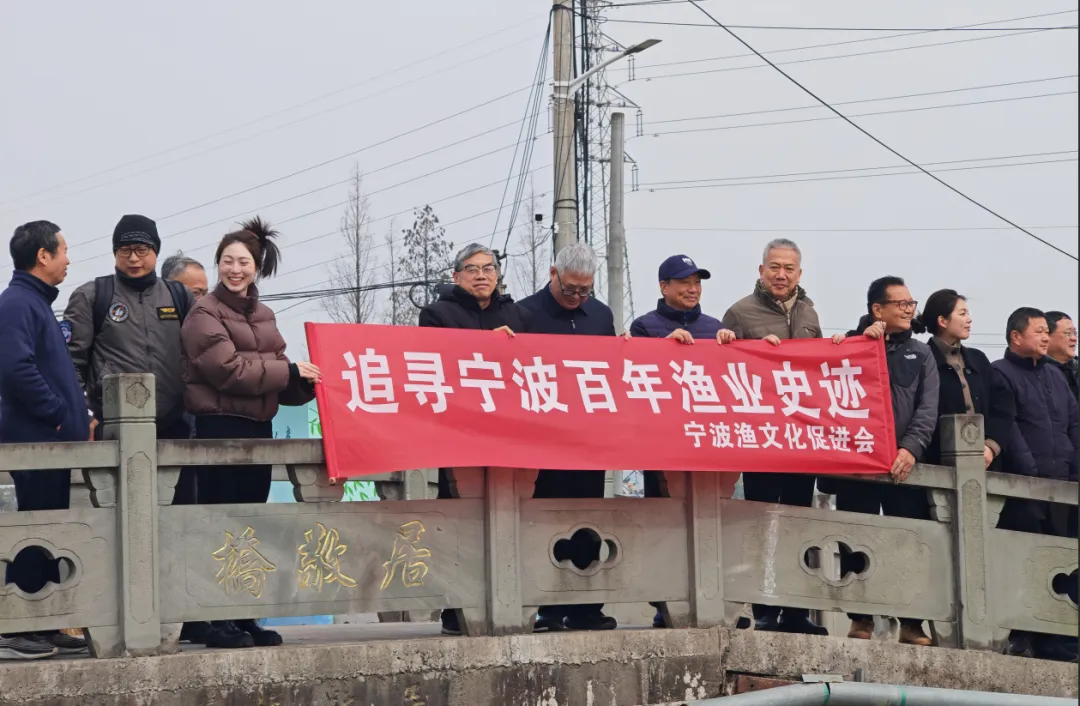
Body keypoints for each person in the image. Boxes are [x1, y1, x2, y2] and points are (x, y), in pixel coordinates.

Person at [180, 217, 319, 649]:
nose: (234, 269)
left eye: (243, 262)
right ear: (218, 263)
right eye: (227, 260)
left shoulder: (265, 315)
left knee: (248, 525)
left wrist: (305, 383)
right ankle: (214, 619)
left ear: (256, 267)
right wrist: (288, 371)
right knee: (220, 524)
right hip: (218, 428)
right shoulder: (203, 313)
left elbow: (273, 376)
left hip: (259, 429)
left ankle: (244, 615)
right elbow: (228, 371)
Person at [418, 243, 528, 636]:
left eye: (489, 268)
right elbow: (432, 363)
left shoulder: (517, 315)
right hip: (459, 434)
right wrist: (483, 345)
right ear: (456, 276)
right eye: (472, 269)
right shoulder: (437, 314)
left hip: (508, 436)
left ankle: (508, 604)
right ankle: (456, 609)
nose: (482, 275)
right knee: (459, 521)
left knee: (509, 518)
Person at [720, 238, 827, 636]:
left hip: (802, 439)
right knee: (761, 522)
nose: (781, 275)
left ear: (799, 273)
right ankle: (764, 609)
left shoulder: (809, 312)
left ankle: (797, 611)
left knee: (799, 523)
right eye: (774, 267)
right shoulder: (739, 312)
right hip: (762, 438)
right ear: (761, 270)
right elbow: (723, 369)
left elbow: (821, 368)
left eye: (789, 268)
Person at [827, 276, 939, 647]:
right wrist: (863, 343)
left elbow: (928, 407)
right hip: (858, 461)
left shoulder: (921, 353)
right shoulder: (851, 344)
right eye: (900, 304)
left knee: (908, 541)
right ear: (878, 309)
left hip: (904, 465)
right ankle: (860, 618)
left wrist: (911, 448)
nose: (909, 310)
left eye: (911, 303)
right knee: (854, 538)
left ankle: (911, 623)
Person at [628, 254, 736, 630]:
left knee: (713, 524)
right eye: (684, 282)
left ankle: (715, 603)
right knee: (666, 525)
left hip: (708, 447)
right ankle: (666, 605)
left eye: (697, 283)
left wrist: (732, 346)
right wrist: (663, 347)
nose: (693, 289)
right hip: (663, 448)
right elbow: (632, 373)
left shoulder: (715, 328)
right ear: (664, 287)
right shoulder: (645, 326)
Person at [0, 221, 90, 659]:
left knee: (48, 531)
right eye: (64, 250)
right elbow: (15, 369)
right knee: (33, 531)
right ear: (43, 255)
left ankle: (44, 622)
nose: (68, 259)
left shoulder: (34, 302)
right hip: (34, 440)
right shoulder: (18, 303)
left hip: (51, 442)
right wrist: (57, 414)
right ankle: (15, 628)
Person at [519, 243, 617, 631]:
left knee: (589, 517)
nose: (577, 297)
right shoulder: (524, 314)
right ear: (553, 274)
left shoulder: (601, 315)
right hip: (541, 439)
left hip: (588, 438)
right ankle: (547, 607)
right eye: (570, 289)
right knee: (546, 519)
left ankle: (585, 608)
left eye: (585, 290)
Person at [992, 307, 1078, 661]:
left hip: (1063, 485)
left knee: (1063, 560)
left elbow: (1073, 423)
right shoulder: (1001, 372)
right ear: (1016, 336)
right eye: (1039, 331)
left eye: (1046, 331)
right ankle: (1021, 635)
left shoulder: (1055, 375)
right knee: (1026, 561)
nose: (1045, 337)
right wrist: (1031, 473)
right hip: (1024, 487)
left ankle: (1058, 639)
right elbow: (1009, 426)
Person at [63, 215, 195, 446]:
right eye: (125, 250)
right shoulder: (92, 296)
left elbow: (200, 356)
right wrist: (84, 414)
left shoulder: (179, 295)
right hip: (112, 426)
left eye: (141, 249)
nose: (133, 258)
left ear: (155, 251)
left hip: (174, 425)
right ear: (115, 253)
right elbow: (70, 362)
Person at [915, 289, 1013, 469]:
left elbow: (1003, 404)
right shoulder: (922, 360)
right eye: (962, 314)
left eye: (968, 313)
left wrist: (991, 446)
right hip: (939, 466)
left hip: (986, 463)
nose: (969, 319)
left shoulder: (978, 359)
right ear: (942, 321)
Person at [1045, 311, 1078, 398]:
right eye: (1068, 333)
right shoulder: (1035, 372)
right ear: (1046, 336)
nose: (1074, 338)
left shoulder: (1076, 369)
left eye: (1075, 333)